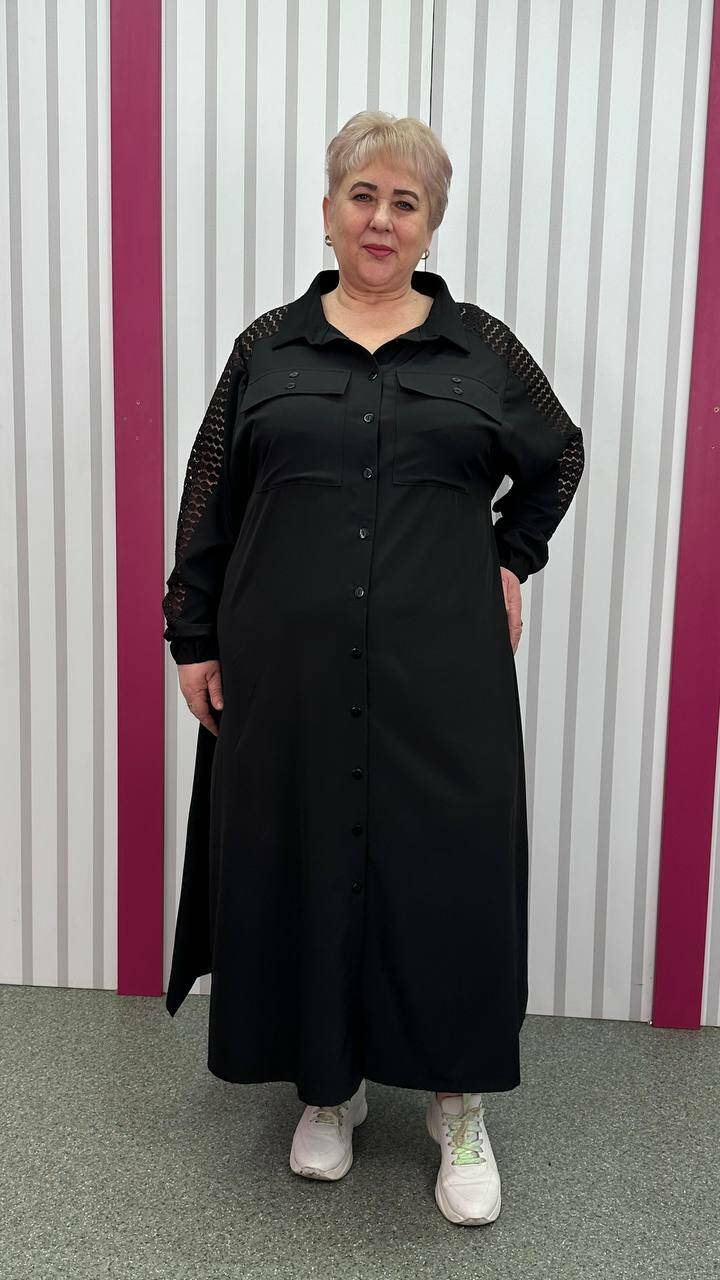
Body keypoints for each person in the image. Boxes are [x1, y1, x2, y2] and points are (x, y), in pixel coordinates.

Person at [162, 110, 585, 1227]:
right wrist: (191, 631)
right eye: (364, 195)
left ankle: (458, 1103)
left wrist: (511, 555)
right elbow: (210, 493)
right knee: (303, 856)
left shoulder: (481, 350)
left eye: (406, 201)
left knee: (448, 872)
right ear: (329, 211)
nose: (382, 219)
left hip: (443, 673)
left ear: (431, 223)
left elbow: (560, 456)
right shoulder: (268, 347)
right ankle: (328, 1087)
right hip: (288, 669)